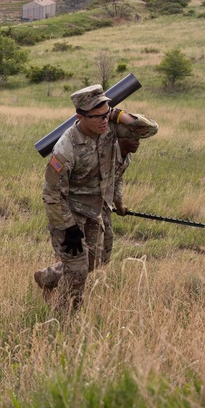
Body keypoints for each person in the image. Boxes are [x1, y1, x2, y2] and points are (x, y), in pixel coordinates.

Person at [35, 85, 158, 311]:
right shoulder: (66, 148)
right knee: (78, 270)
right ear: (81, 117)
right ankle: (64, 319)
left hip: (98, 210)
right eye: (98, 116)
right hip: (69, 213)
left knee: (96, 261)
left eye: (107, 113)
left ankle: (47, 277)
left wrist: (118, 115)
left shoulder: (109, 128)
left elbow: (149, 130)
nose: (104, 120)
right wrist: (69, 228)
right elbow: (52, 195)